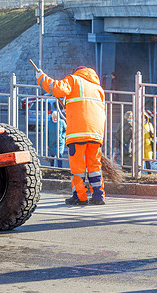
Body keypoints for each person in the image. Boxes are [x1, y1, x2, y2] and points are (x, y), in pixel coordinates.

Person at [36, 66, 106, 205]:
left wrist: (41, 77)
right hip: (96, 133)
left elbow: (56, 88)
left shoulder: (74, 80)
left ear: (77, 72)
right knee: (94, 166)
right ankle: (98, 196)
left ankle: (80, 197)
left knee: (78, 166)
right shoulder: (98, 88)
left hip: (78, 132)